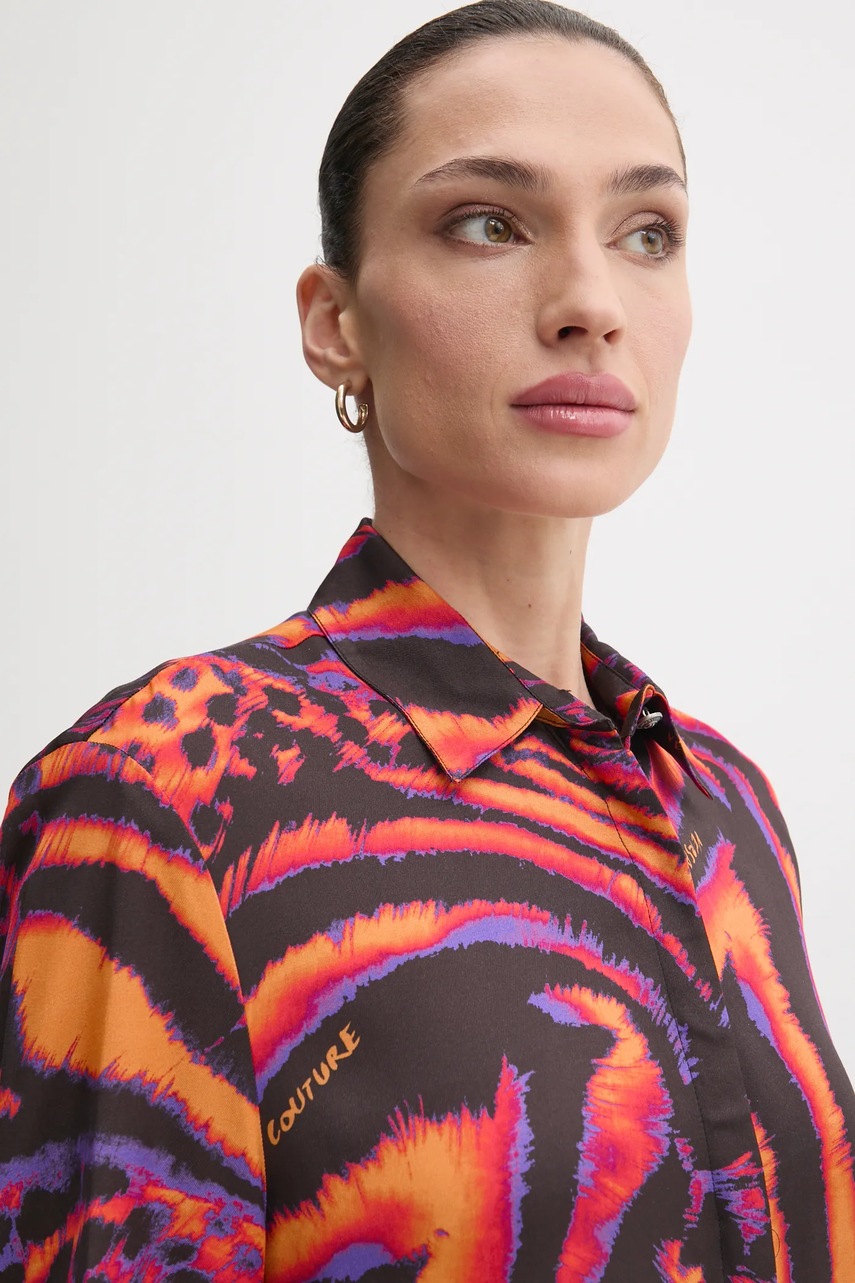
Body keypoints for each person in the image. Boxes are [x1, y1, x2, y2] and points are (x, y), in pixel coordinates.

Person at [1, 1, 853, 1278]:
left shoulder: (727, 801)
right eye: (488, 224)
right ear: (335, 322)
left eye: (647, 233)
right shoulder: (164, 789)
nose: (590, 302)